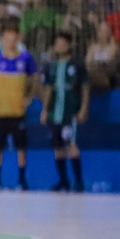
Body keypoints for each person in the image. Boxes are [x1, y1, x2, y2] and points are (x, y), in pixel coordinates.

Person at [0, 17, 37, 191]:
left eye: (13, 38)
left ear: (18, 39)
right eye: (7, 38)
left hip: (17, 110)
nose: (10, 42)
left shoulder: (25, 58)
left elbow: (35, 79)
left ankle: (22, 180)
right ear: (2, 39)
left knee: (21, 146)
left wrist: (29, 97)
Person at [41, 31, 89, 192]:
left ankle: (79, 181)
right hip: (55, 112)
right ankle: (63, 180)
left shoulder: (77, 64)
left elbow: (85, 87)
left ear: (69, 45)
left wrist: (83, 108)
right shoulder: (52, 65)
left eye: (62, 44)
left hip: (69, 111)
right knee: (57, 146)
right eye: (57, 44)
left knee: (71, 144)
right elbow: (48, 89)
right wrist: (45, 110)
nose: (59, 46)